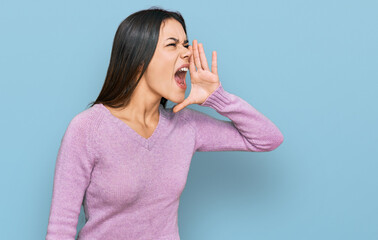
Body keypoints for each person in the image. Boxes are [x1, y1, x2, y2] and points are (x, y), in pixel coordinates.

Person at [45, 7, 284, 240]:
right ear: (139, 60)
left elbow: (268, 138)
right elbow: (60, 230)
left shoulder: (186, 126)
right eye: (172, 45)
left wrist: (217, 98)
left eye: (186, 45)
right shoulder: (88, 129)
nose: (187, 53)